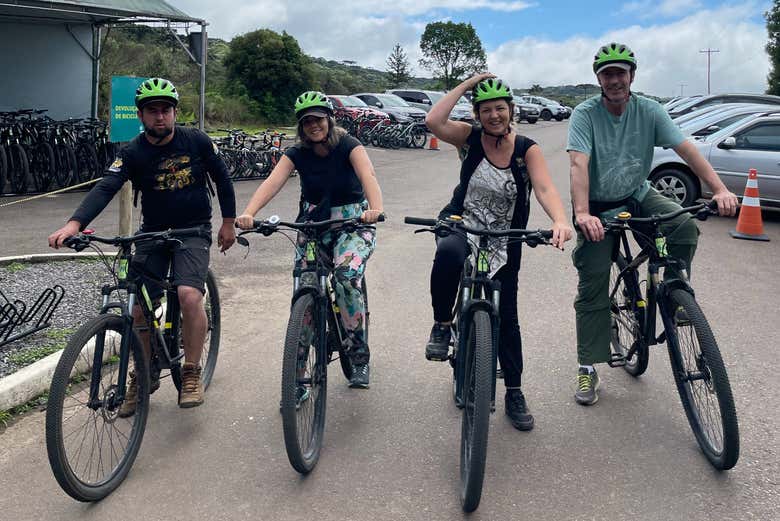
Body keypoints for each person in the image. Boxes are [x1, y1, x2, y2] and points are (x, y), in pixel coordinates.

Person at [48, 77, 236, 414]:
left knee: (189, 295)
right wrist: (75, 223)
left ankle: (191, 371)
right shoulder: (132, 151)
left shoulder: (197, 141)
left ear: (175, 112)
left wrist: (228, 223)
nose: (160, 117)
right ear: (141, 115)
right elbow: (106, 186)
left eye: (165, 110)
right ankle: (144, 371)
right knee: (137, 306)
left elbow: (222, 178)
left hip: (192, 230)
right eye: (152, 111)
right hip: (151, 233)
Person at [567, 43, 738, 405]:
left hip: (636, 193)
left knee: (683, 225)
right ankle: (587, 368)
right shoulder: (585, 114)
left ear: (632, 76)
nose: (614, 79)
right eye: (607, 73)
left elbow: (686, 149)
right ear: (598, 79)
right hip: (597, 205)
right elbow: (578, 164)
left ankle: (674, 291)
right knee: (594, 281)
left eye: (620, 72)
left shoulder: (649, 110)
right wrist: (582, 213)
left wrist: (719, 189)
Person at [423, 74, 573, 431]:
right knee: (448, 253)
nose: (494, 115)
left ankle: (515, 392)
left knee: (508, 316)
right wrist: (469, 82)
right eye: (486, 109)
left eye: (500, 109)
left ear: (511, 111)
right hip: (465, 223)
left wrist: (560, 220)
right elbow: (433, 121)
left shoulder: (526, 148)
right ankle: (443, 325)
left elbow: (544, 187)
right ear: (477, 113)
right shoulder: (469, 138)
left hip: (507, 236)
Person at [236, 91, 384, 389]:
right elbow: (273, 182)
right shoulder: (297, 153)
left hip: (353, 223)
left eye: (318, 119)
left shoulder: (348, 145)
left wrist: (375, 208)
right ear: (300, 127)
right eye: (307, 122)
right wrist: (249, 213)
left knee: (345, 277)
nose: (313, 125)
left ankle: (358, 357)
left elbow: (368, 176)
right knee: (304, 289)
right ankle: (298, 381)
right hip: (314, 225)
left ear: (329, 119)